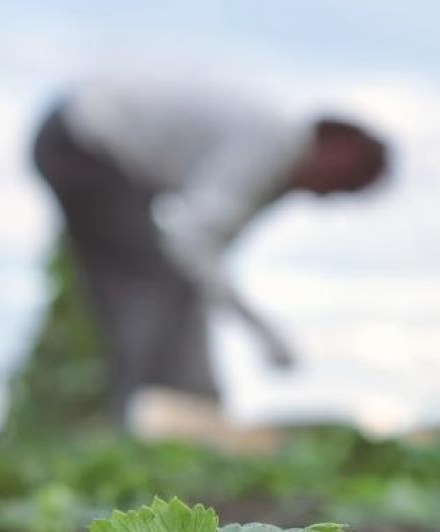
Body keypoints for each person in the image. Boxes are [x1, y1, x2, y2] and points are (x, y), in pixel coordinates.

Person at [31, 76, 389, 422]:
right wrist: (263, 331)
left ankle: (162, 412)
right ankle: (149, 419)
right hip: (86, 141)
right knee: (153, 291)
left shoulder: (276, 154)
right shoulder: (274, 146)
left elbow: (202, 263)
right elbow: (191, 246)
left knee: (163, 285)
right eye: (346, 183)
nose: (328, 198)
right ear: (338, 149)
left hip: (83, 136)